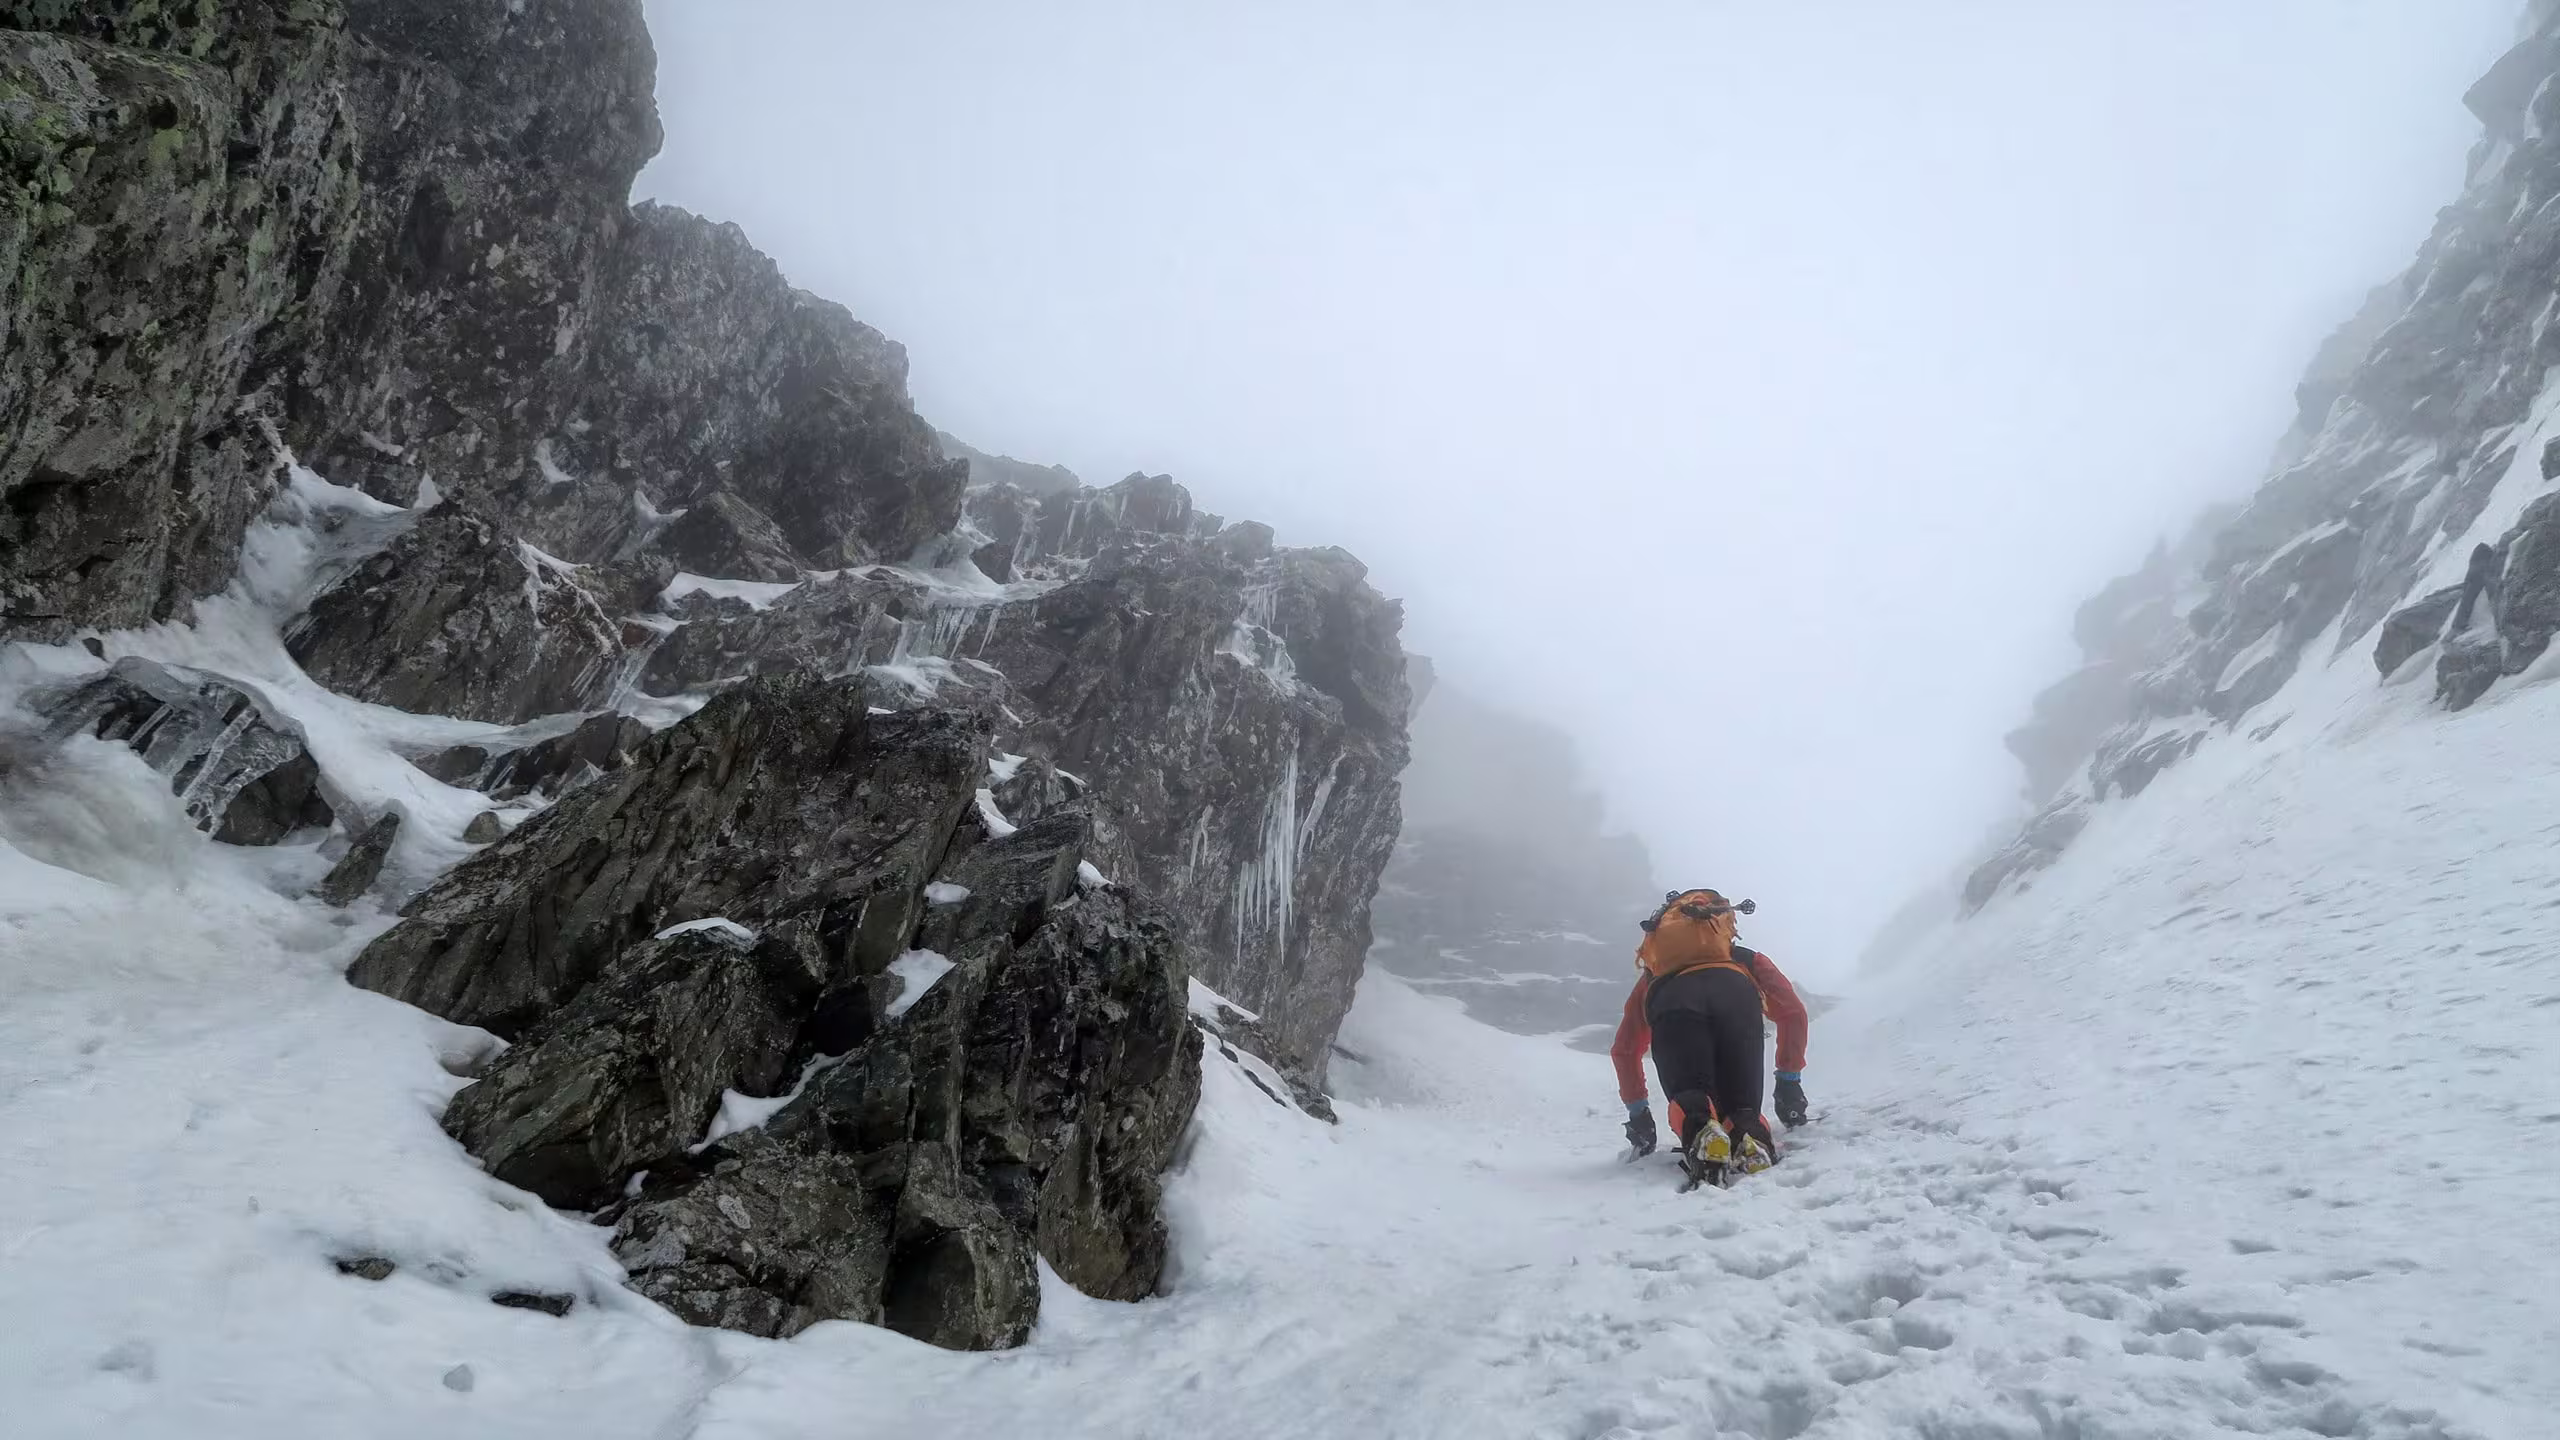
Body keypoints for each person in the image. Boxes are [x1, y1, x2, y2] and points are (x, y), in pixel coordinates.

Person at [1610, 888, 1810, 1187]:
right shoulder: (1745, 959)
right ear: (1723, 922)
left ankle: (1702, 1130)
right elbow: (1793, 1013)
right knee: (1744, 1108)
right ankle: (1749, 1134)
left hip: (1673, 1002)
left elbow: (1625, 1050)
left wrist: (1639, 1114)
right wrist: (1789, 1082)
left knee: (1690, 1096)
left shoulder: (1654, 976)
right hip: (1737, 995)